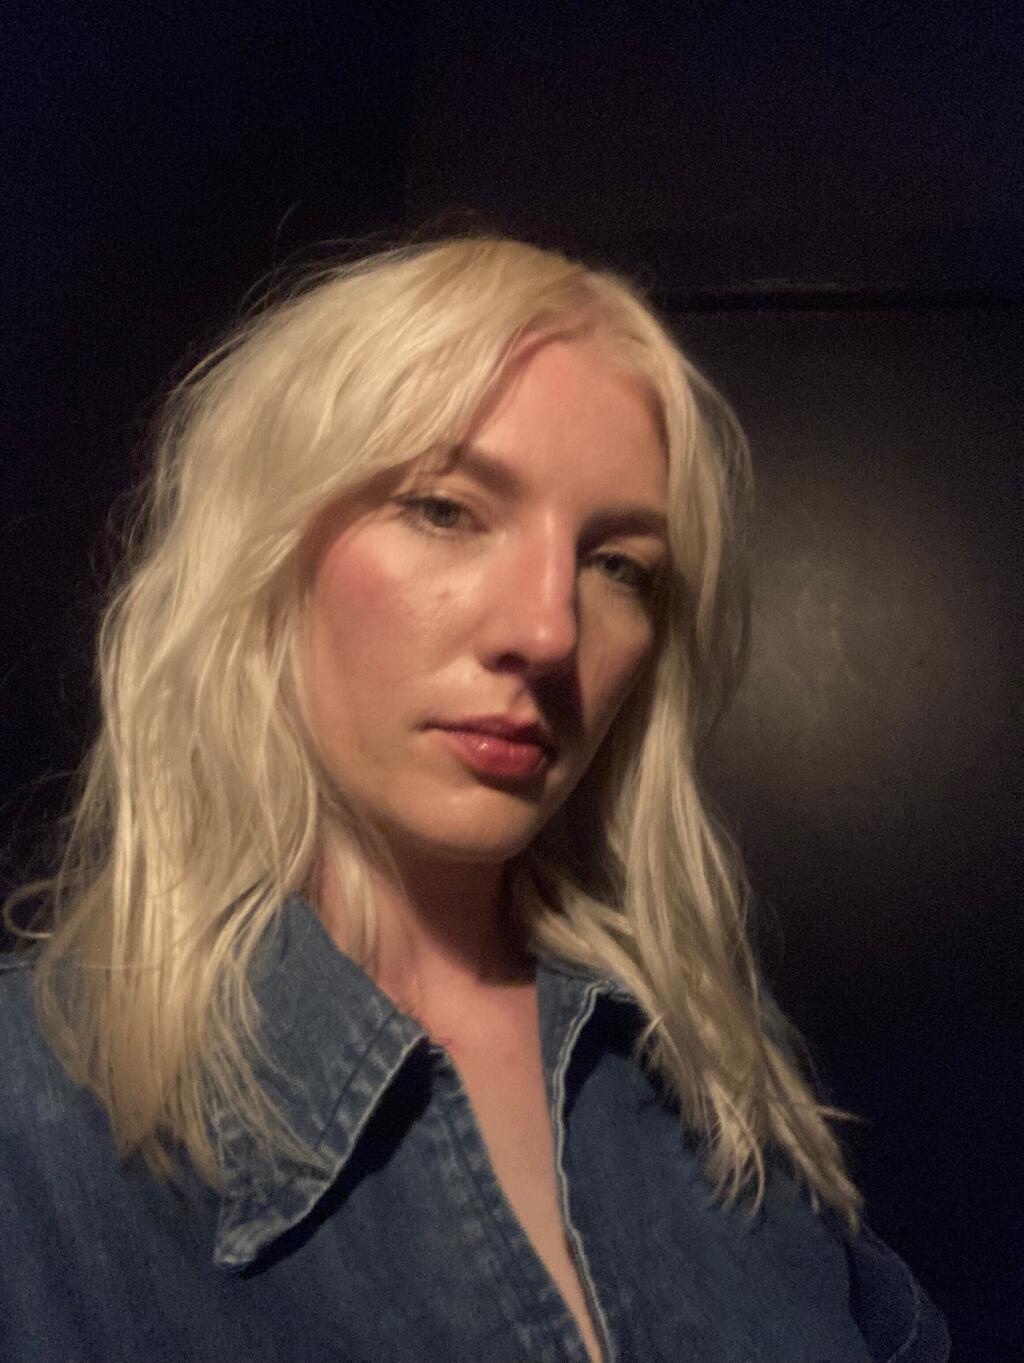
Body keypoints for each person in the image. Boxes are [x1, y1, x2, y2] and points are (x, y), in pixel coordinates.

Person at [1, 237, 949, 1362]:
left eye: (620, 565)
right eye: (446, 509)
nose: (548, 631)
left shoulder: (704, 1059)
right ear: (263, 543)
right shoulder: (34, 1121)